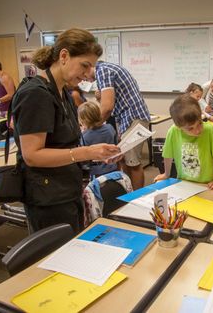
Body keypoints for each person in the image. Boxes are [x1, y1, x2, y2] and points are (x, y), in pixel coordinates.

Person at [12, 28, 121, 233]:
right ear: (64, 56)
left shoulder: (64, 93)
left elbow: (66, 145)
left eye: (92, 67)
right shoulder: (36, 94)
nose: (90, 75)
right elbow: (33, 155)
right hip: (47, 197)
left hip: (66, 188)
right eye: (85, 65)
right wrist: (87, 152)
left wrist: (97, 155)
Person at [95, 61, 151, 190]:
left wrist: (94, 125)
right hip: (126, 118)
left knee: (133, 163)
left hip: (133, 118)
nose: (84, 79)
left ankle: (136, 197)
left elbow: (107, 107)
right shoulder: (107, 68)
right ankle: (128, 192)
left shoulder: (103, 70)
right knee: (125, 159)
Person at [154, 94, 213, 190]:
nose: (197, 130)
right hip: (184, 182)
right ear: (179, 127)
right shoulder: (173, 131)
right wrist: (166, 174)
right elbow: (168, 155)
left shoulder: (210, 131)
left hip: (207, 183)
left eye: (200, 123)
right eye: (190, 128)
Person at [78, 100, 118, 176]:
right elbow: (116, 144)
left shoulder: (85, 136)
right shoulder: (110, 128)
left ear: (83, 121)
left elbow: (83, 157)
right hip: (113, 167)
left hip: (96, 172)